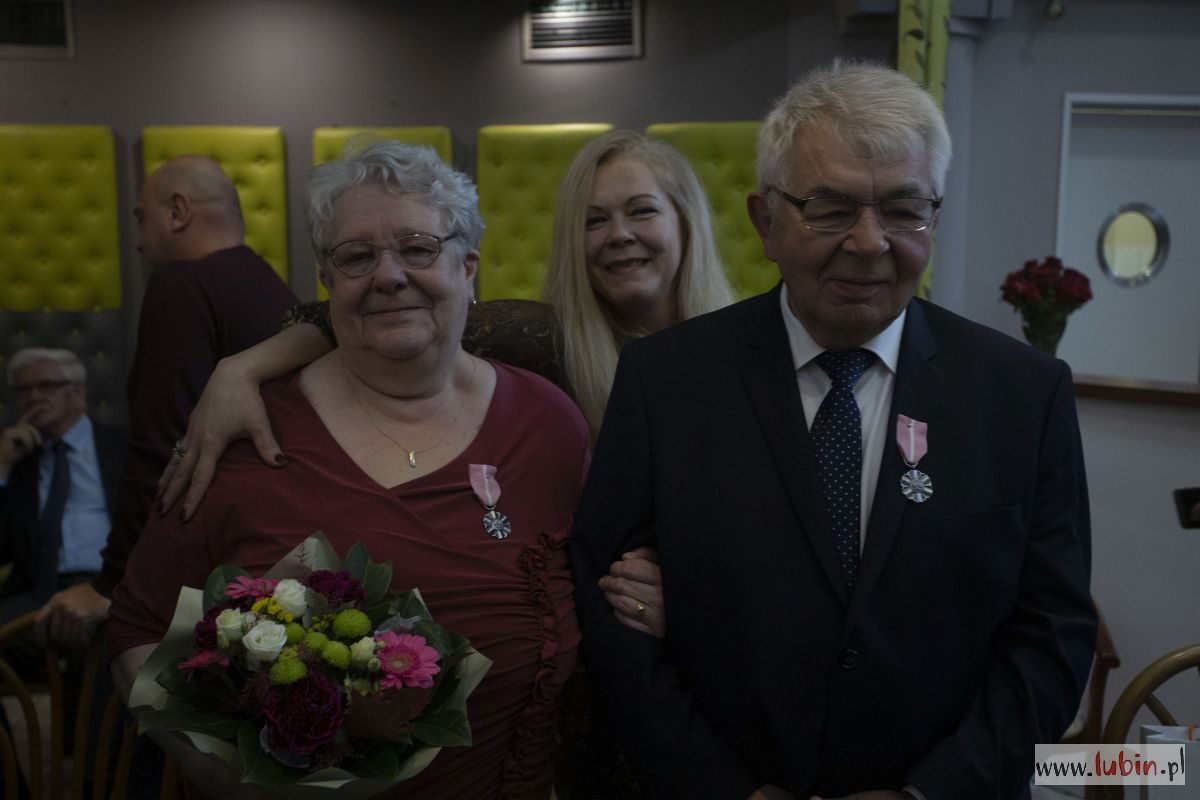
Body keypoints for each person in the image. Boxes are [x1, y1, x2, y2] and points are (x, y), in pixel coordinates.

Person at [570, 61, 1097, 800]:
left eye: (905, 210)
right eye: (830, 208)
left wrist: (932, 792)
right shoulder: (667, 382)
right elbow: (608, 611)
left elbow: (1054, 634)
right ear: (765, 221)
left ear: (936, 218)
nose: (870, 242)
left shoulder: (1021, 394)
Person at [110, 140, 597, 798]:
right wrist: (219, 773)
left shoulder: (548, 424)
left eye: (418, 248)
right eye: (356, 257)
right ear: (327, 280)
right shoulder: (245, 432)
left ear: (468, 267)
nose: (388, 276)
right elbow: (137, 627)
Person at [33, 155, 298, 647]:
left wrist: (110, 583)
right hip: (270, 551)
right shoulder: (272, 287)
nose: (137, 240)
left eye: (140, 218)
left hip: (196, 565)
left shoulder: (181, 284)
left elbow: (163, 448)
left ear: (178, 211)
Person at [1, 348, 125, 625]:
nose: (33, 396)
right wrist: (2, 467)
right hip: (35, 592)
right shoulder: (17, 460)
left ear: (77, 393)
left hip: (108, 586)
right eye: (23, 389)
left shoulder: (124, 447)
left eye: (46, 385)